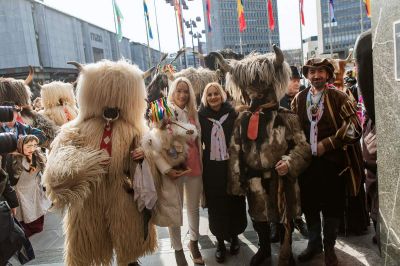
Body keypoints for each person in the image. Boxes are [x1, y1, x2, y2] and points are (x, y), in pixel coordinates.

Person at [211, 45, 311, 266]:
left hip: (282, 179)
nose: (255, 89)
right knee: (259, 218)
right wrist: (236, 182)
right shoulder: (242, 119)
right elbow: (235, 151)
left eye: (260, 83)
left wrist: (289, 162)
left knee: (285, 218)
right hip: (254, 180)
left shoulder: (287, 117)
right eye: (250, 84)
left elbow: (303, 148)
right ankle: (264, 249)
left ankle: (286, 250)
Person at [292, 58, 364, 266]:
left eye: (321, 71)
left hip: (333, 163)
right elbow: (295, 130)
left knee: (332, 206)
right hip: (307, 164)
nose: (316, 76)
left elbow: (354, 127)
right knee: (310, 205)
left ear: (328, 74)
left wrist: (328, 143)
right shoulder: (299, 98)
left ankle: (330, 247)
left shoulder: (339, 97)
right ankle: (314, 244)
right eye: (312, 72)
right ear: (307, 75)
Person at [198, 82, 247, 263]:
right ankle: (219, 241)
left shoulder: (233, 113)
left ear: (222, 95)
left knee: (234, 200)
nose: (213, 97)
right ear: (205, 97)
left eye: (216, 93)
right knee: (216, 204)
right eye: (209, 94)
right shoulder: (201, 116)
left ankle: (234, 237)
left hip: (232, 164)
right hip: (212, 168)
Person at [164, 77, 204, 266]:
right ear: (173, 92)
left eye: (185, 91)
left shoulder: (193, 113)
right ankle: (177, 248)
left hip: (194, 165)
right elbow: (158, 141)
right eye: (179, 90)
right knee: (175, 209)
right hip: (174, 169)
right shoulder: (165, 113)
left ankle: (193, 242)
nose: (182, 94)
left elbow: (198, 142)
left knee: (193, 208)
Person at [6, 135, 51, 237]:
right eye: (29, 146)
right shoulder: (12, 158)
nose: (32, 149)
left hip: (34, 189)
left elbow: (40, 172)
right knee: (24, 215)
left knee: (36, 211)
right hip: (20, 191)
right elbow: (9, 179)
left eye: (34, 145)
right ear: (21, 145)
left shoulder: (37, 155)